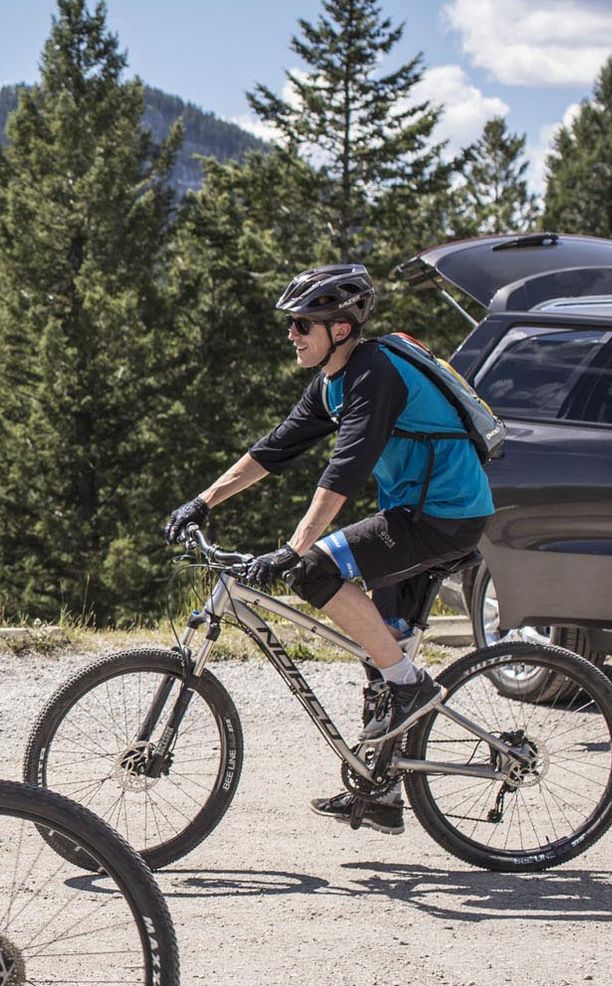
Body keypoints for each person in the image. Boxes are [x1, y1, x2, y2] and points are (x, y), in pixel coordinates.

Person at [163, 264, 495, 835]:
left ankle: (413, 688)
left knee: (316, 571)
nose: (291, 334)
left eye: (301, 324)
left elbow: (347, 467)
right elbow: (276, 448)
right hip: (410, 514)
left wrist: (295, 547)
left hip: (444, 517)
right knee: (381, 648)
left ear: (340, 329)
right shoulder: (333, 382)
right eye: (291, 325)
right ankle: (384, 789)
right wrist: (203, 501)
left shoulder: (375, 373)